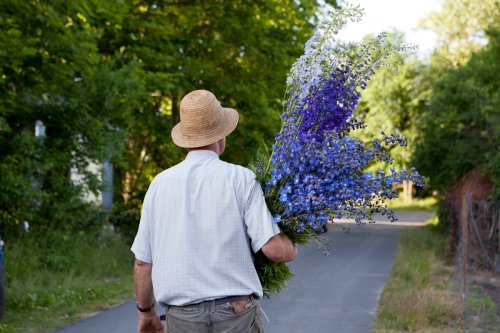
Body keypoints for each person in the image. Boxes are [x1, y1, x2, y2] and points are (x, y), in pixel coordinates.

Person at [131, 89, 297, 333]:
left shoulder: (159, 184)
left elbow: (143, 264)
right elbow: (273, 249)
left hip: (182, 317)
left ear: (186, 138)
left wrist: (146, 313)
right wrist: (292, 245)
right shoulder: (241, 178)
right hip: (236, 312)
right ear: (223, 133)